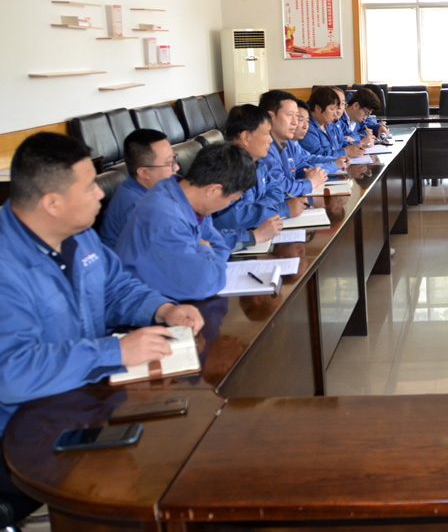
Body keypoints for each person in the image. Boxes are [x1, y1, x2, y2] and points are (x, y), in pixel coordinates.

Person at [0, 133, 204, 522]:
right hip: (20, 429)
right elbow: (11, 372)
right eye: (90, 187)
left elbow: (114, 288)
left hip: (82, 397)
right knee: (144, 480)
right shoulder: (6, 266)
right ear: (52, 203)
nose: (100, 193)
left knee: (181, 437)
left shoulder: (78, 234)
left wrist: (162, 309)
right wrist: (115, 352)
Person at [116, 142, 256, 301]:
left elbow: (220, 247)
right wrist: (204, 249)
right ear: (213, 190)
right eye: (231, 200)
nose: (227, 205)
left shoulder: (190, 199)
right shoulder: (165, 216)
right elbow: (202, 283)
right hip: (143, 305)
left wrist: (203, 253)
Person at [213, 103, 295, 238]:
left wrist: (257, 209)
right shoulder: (225, 166)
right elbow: (232, 217)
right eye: (267, 133)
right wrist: (281, 208)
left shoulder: (257, 162)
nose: (270, 140)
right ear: (246, 137)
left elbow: (276, 189)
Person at [98, 129, 179, 247]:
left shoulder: (155, 187)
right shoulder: (137, 208)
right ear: (144, 172)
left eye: (174, 159)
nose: (176, 167)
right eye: (169, 163)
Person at [259, 89, 331, 198]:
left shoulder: (287, 143)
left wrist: (311, 172)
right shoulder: (263, 148)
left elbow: (301, 167)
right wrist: (310, 183)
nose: (295, 122)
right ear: (270, 117)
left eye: (296, 116)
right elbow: (280, 187)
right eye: (289, 115)